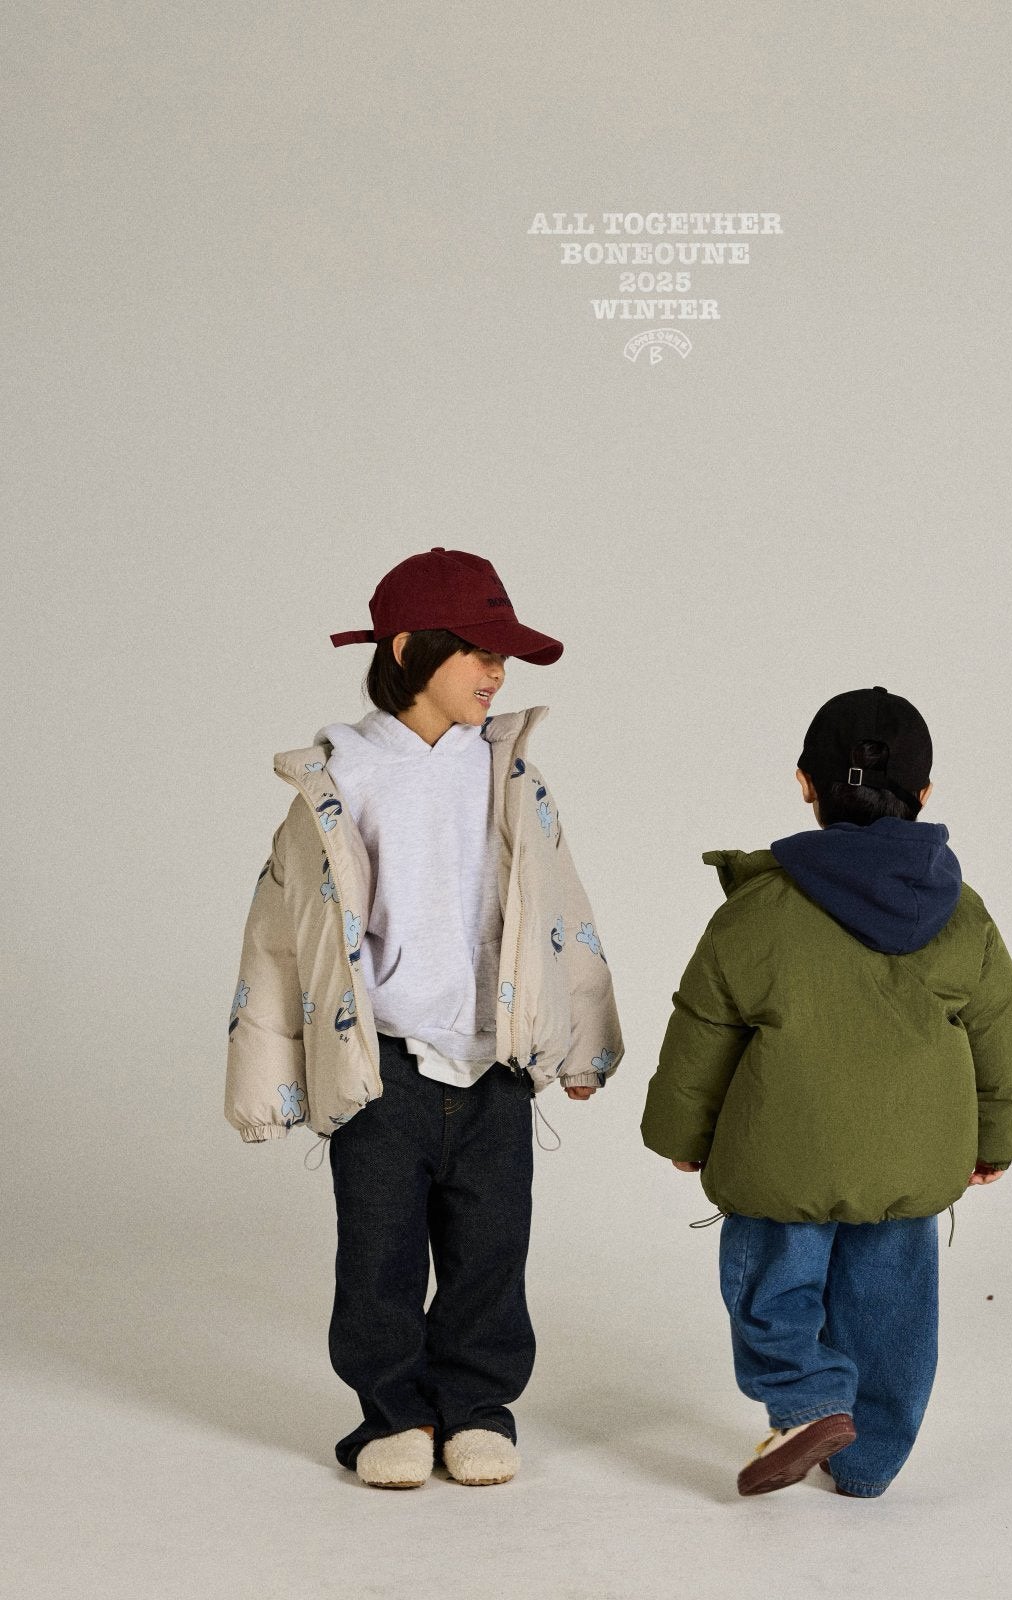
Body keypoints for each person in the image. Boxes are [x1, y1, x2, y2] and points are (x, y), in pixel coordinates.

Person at [225, 547, 623, 1489]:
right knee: (379, 1257)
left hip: (496, 1067)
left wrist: (584, 1042)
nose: (497, 673)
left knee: (492, 1254)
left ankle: (477, 1409)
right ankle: (393, 1415)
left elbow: (560, 908)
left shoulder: (511, 775)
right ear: (408, 650)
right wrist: (268, 1081)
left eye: (503, 656)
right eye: (478, 652)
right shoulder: (343, 780)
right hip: (383, 1072)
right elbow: (282, 934)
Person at [641, 685, 1012, 1498]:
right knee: (893, 1306)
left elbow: (703, 1026)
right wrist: (996, 1140)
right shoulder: (965, 915)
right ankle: (869, 1462)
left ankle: (811, 1400)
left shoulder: (760, 909)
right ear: (925, 794)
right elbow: (997, 1024)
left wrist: (681, 1132)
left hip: (784, 1150)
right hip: (913, 1157)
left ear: (805, 784)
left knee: (772, 1284)